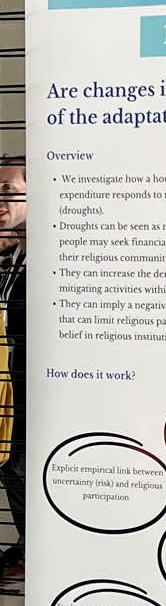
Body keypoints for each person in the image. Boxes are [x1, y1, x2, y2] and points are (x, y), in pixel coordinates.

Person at [0, 160, 25, 581]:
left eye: (9, 190)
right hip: (12, 386)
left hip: (36, 387)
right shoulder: (16, 253)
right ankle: (28, 544)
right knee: (10, 463)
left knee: (18, 464)